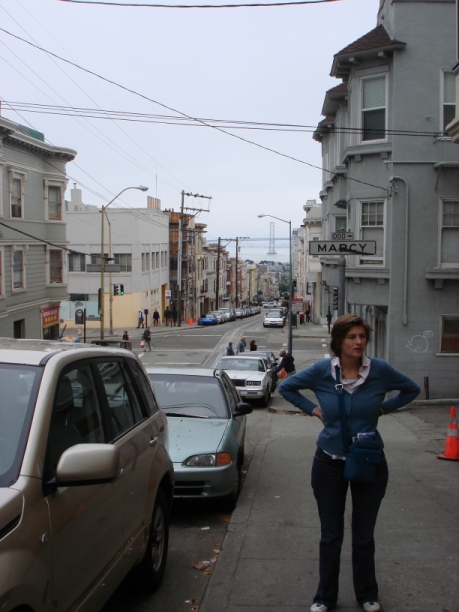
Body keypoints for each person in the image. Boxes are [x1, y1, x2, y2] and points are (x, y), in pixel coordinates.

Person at [278, 315, 420, 612]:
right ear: (339, 342)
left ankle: (367, 594)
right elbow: (287, 388)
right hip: (328, 463)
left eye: (362, 336)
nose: (359, 342)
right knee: (331, 535)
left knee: (364, 535)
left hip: (369, 460)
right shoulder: (321, 371)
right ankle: (324, 597)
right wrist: (313, 409)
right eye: (352, 337)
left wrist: (384, 408)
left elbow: (411, 389)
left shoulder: (379, 370)